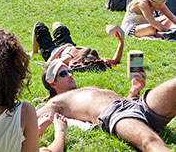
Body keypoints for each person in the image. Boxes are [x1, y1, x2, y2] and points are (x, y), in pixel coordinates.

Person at [36, 57, 176, 151]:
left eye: (70, 71)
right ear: (52, 83)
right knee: (150, 141)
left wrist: (134, 91)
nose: (70, 75)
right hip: (115, 114)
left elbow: (129, 109)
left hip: (135, 103)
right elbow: (27, 120)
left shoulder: (87, 88)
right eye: (63, 74)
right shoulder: (55, 102)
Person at [29, 22, 124, 68]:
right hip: (67, 45)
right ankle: (56, 41)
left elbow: (50, 62)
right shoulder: (94, 57)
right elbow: (115, 60)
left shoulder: (69, 58)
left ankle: (34, 52)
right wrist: (121, 43)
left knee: (39, 26)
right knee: (57, 24)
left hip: (51, 51)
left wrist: (62, 47)